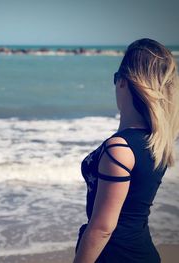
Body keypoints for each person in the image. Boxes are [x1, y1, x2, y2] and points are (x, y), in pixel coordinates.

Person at [73, 38, 179, 263]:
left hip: (115, 256)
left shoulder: (120, 149)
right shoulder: (155, 143)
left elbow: (102, 228)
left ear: (124, 81)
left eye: (116, 78)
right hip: (141, 252)